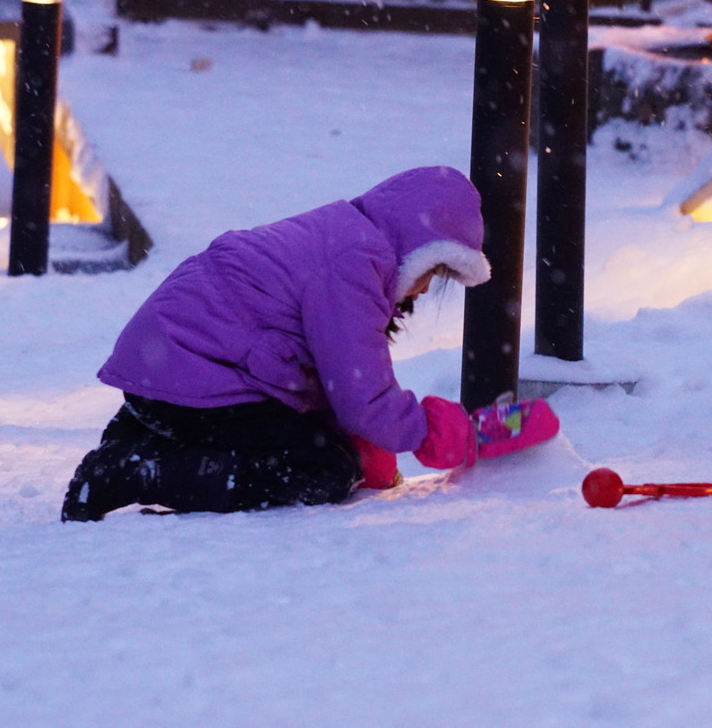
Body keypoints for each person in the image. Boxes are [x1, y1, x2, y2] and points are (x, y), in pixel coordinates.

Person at [62, 166, 490, 521]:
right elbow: (361, 393)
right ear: (416, 247)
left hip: (165, 371)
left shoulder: (339, 234)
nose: (423, 290)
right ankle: (138, 471)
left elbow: (324, 376)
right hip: (195, 381)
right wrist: (426, 430)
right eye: (431, 272)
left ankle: (137, 436)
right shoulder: (357, 265)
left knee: (321, 444)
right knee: (322, 470)